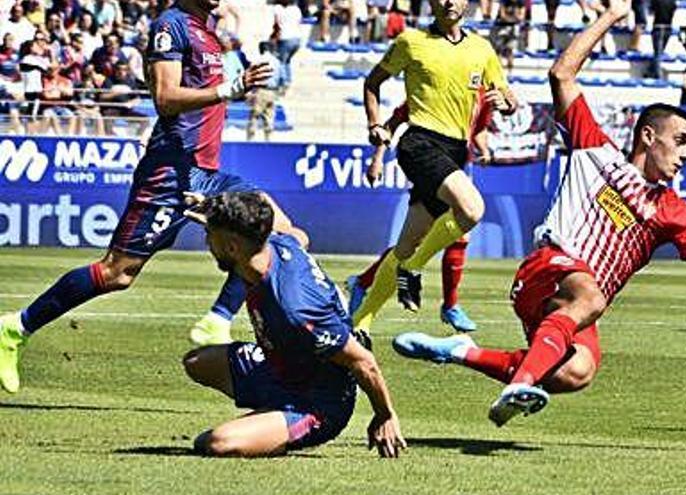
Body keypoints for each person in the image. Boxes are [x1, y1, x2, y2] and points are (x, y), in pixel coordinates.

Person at [392, 0, 686, 428]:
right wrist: (612, 15)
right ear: (648, 136)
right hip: (546, 271)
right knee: (591, 297)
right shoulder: (594, 149)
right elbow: (561, 74)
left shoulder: (674, 212)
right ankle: (520, 384)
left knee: (576, 372)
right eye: (680, 141)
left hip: (571, 307)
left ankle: (461, 351)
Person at [0, 0, 306, 394]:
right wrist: (229, 88)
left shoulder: (208, 31)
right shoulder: (172, 24)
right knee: (117, 273)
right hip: (170, 174)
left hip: (205, 174)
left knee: (284, 233)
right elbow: (164, 96)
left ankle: (218, 317)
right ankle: (15, 328)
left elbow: (205, 96)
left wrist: (235, 89)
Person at [180, 191, 406, 458]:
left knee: (216, 443)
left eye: (210, 235)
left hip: (317, 403)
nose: (206, 241)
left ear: (232, 247)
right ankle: (269, 416)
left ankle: (278, 422)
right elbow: (282, 218)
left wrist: (384, 414)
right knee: (197, 363)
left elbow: (363, 362)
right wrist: (214, 207)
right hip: (281, 370)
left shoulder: (295, 308)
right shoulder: (278, 242)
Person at [356, 0, 516, 337]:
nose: (449, 2)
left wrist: (507, 103)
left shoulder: (481, 49)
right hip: (420, 142)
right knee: (471, 211)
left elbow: (505, 95)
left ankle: (361, 320)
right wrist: (374, 124)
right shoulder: (410, 42)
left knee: (405, 246)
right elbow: (373, 83)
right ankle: (413, 271)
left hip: (456, 151)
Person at [348, 97, 494, 334]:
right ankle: (449, 304)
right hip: (431, 161)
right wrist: (377, 160)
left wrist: (484, 149)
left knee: (412, 242)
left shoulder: (483, 92)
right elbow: (392, 124)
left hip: (453, 164)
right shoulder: (435, 86)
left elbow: (478, 128)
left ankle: (364, 285)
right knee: (458, 228)